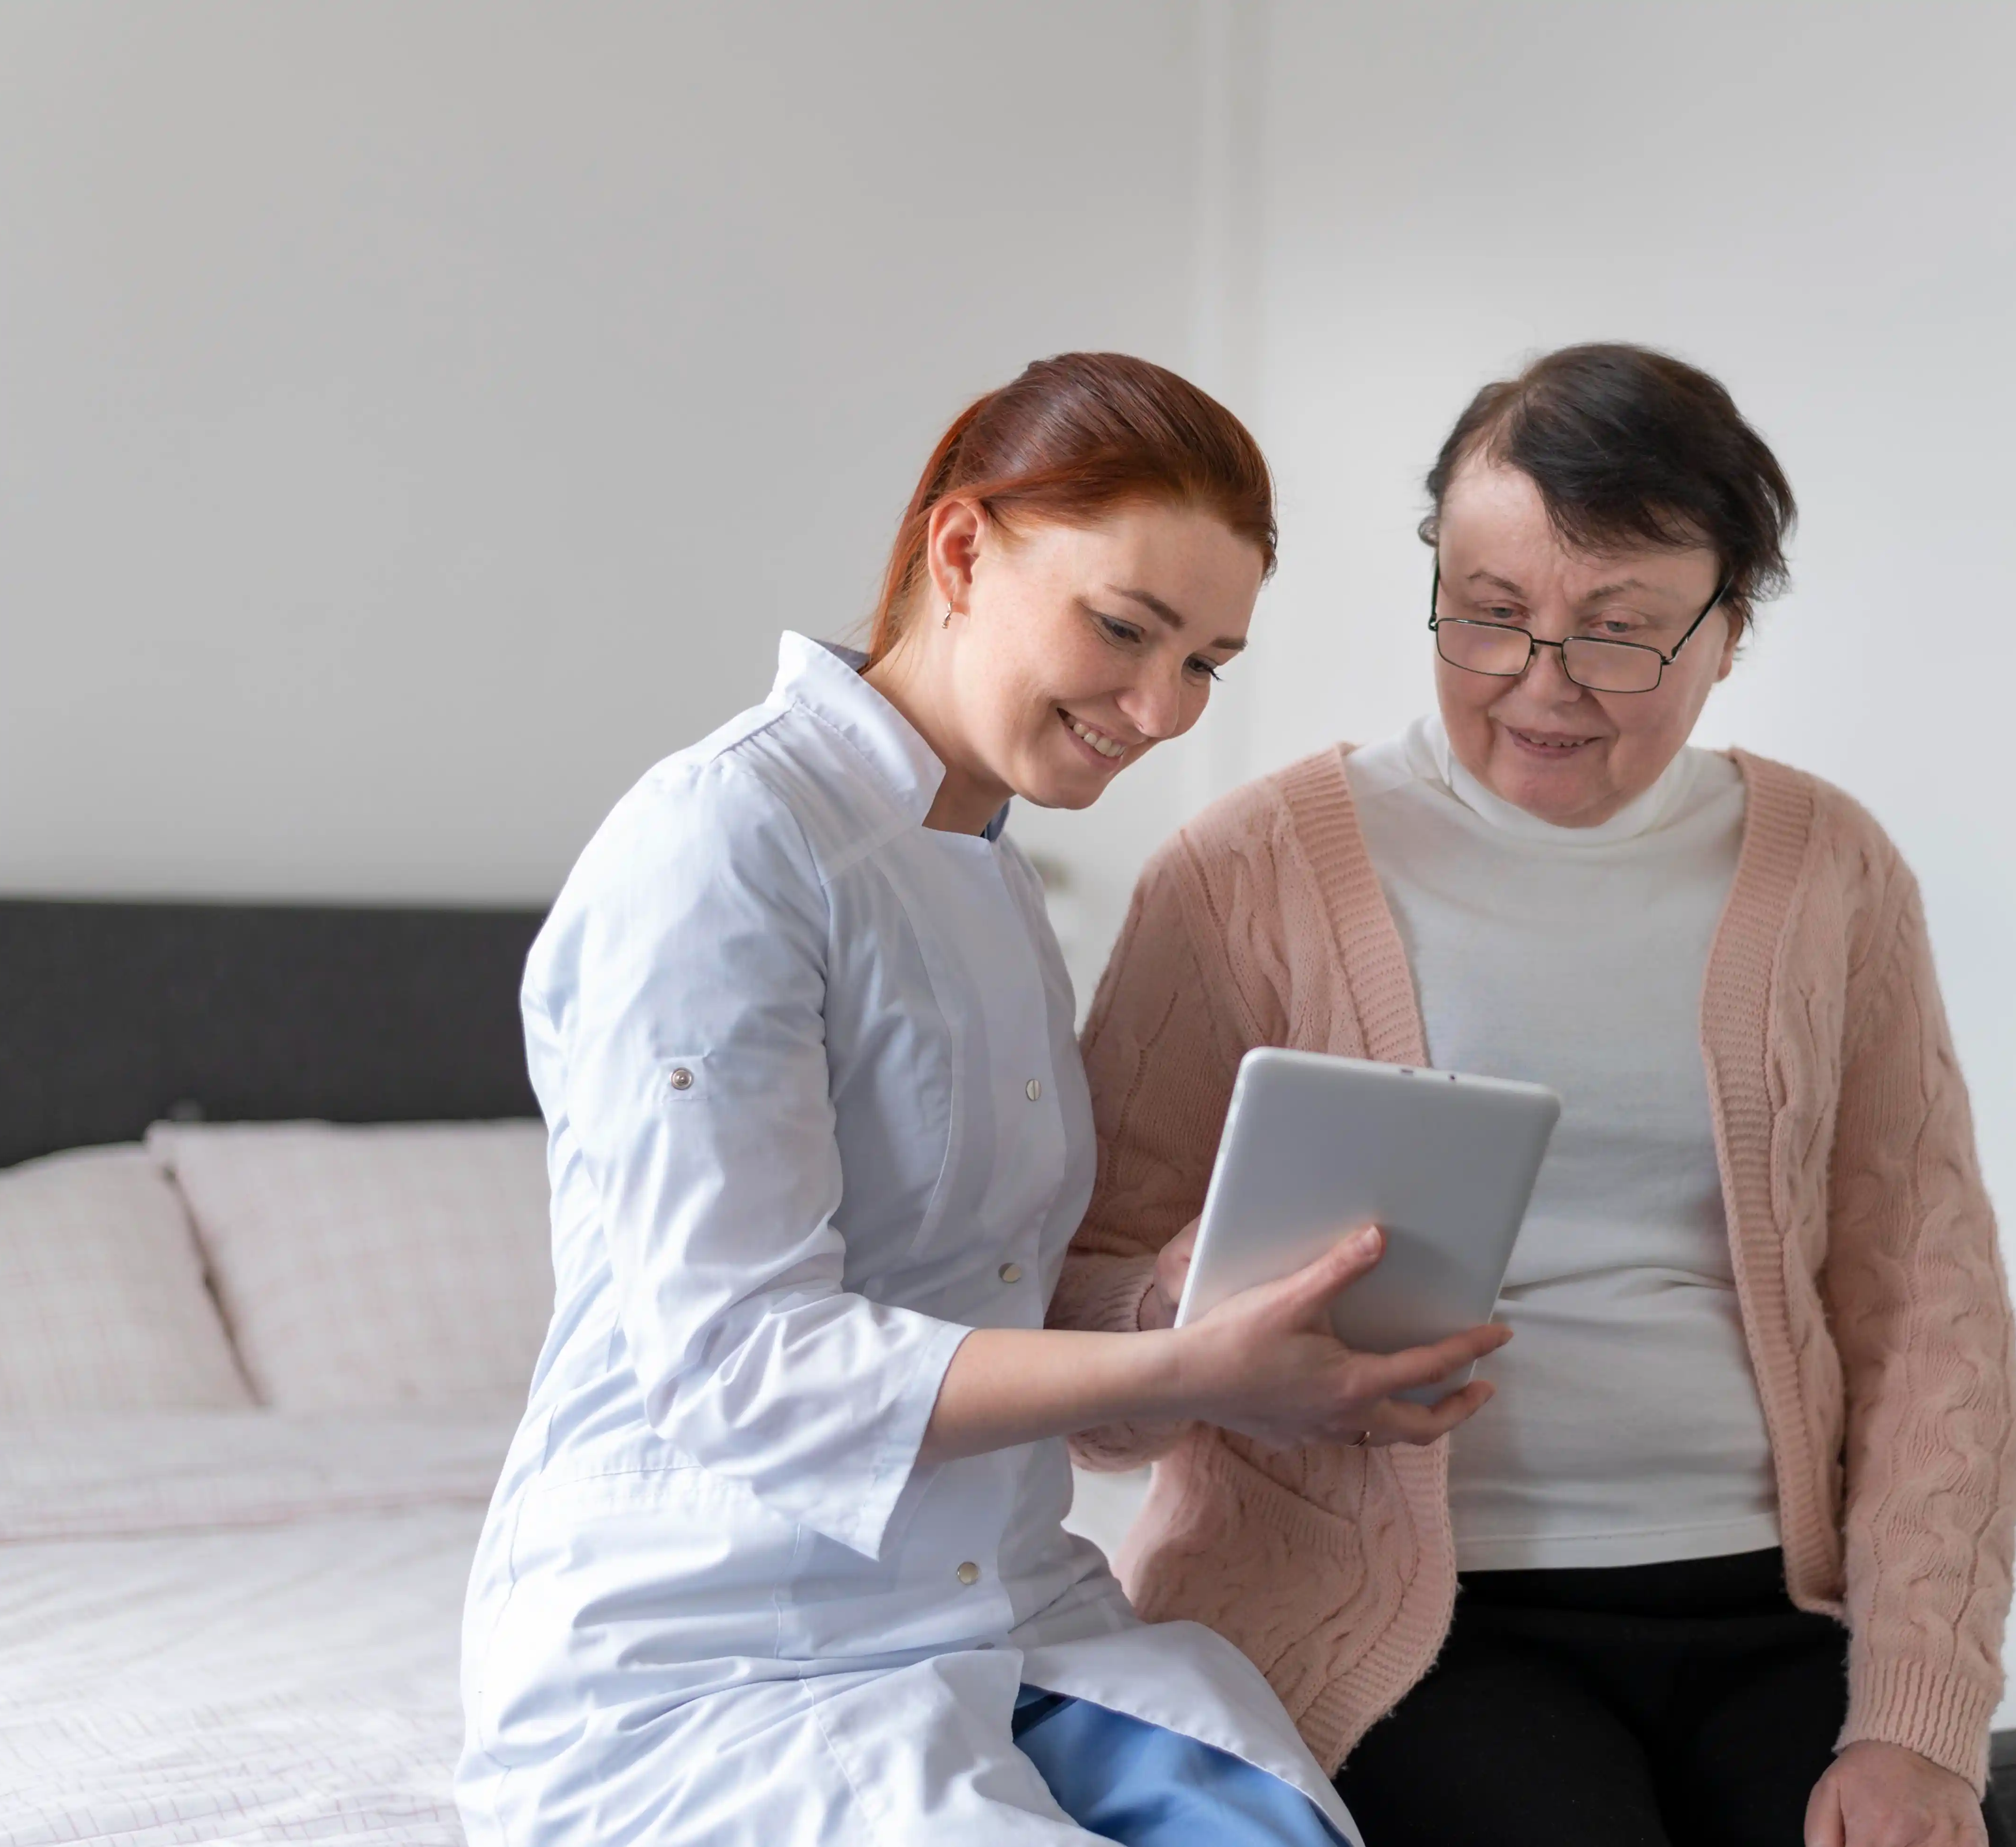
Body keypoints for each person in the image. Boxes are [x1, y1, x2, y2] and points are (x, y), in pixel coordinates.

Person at [456, 353, 1509, 1847]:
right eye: (1124, 629)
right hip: (716, 1652)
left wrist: (1193, 1313)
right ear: (961, 550)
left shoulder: (1000, 875)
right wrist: (1197, 1374)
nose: (1160, 707)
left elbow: (981, 1304)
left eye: (1207, 662)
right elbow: (746, 1361)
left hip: (1005, 1613)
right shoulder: (723, 845)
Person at [1055, 345, 2016, 1847]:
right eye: (1490, 615)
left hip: (1771, 1606)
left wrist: (1918, 1720)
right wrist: (1181, 1313)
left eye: (1620, 633)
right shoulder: (1249, 871)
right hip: (1411, 1629)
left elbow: (1932, 1314)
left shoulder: (1829, 868)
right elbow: (1067, 1327)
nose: (1541, 684)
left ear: (1732, 627)